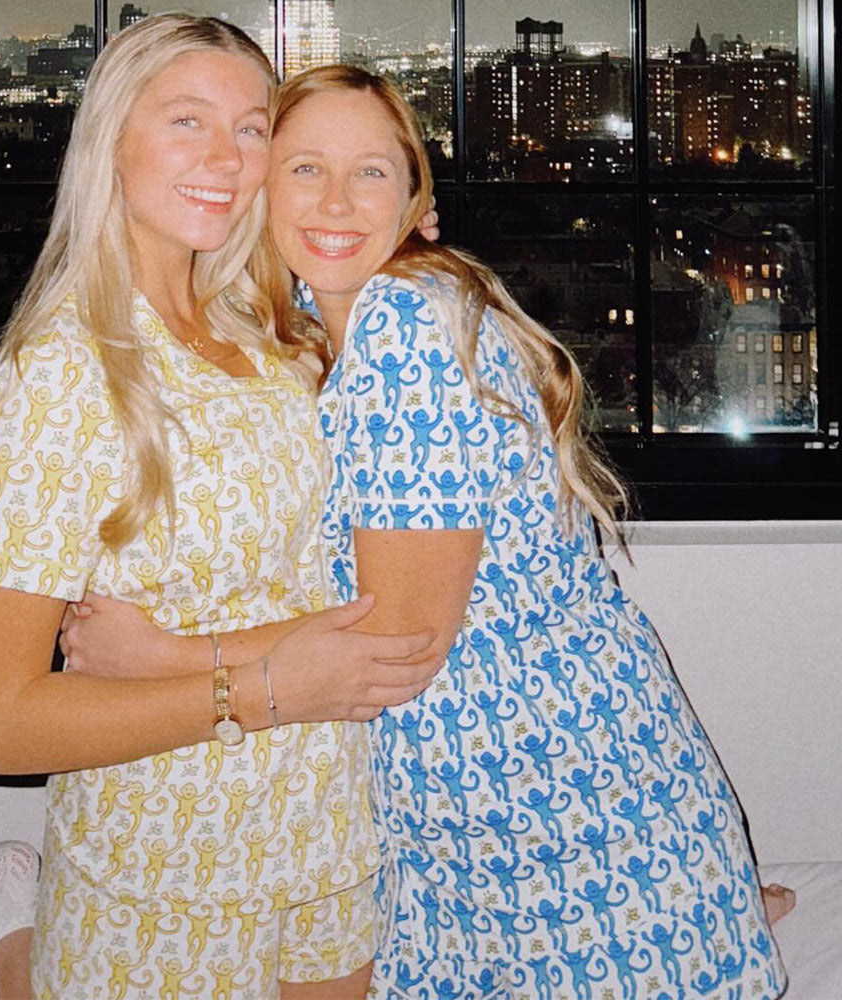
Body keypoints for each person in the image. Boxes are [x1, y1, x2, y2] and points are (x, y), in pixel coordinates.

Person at [64, 65, 790, 998]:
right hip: (482, 824)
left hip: (556, 823)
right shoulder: (324, 326)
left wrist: (161, 656)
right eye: (304, 168)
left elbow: (398, 641)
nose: (336, 201)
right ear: (262, 190)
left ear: (415, 198)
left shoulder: (404, 325)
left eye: (371, 172)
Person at [0, 17, 445, 1000]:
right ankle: (17, 942)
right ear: (113, 140)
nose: (226, 157)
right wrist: (253, 690)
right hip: (163, 880)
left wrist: (398, 239)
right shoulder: (63, 374)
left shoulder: (262, 332)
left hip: (331, 838)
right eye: (187, 121)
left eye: (252, 128)